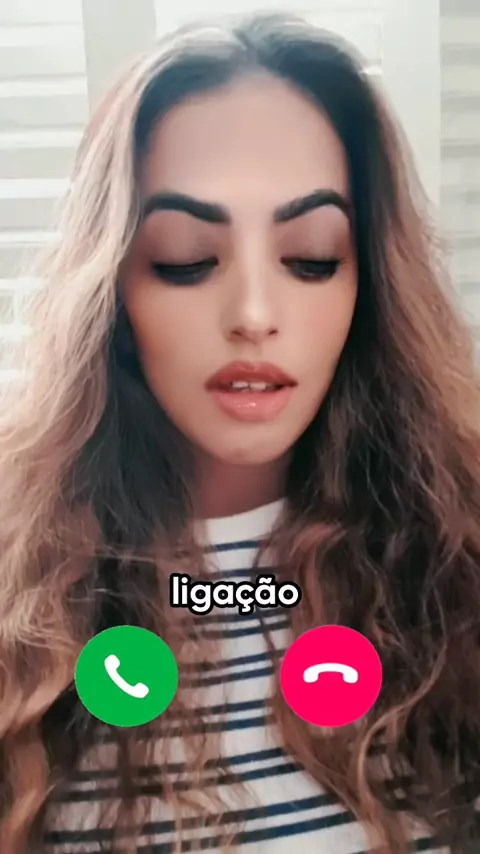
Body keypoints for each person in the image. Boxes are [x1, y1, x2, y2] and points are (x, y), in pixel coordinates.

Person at [0, 11, 479, 854]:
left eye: (312, 257)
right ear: (114, 287)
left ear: (369, 284)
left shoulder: (458, 567)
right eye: (186, 258)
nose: (254, 315)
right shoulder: (20, 600)